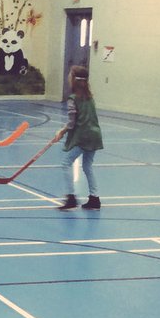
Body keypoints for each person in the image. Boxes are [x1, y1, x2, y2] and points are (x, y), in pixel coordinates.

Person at [57, 65, 103, 211]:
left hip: (83, 136)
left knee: (65, 163)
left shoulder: (73, 99)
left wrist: (62, 131)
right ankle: (94, 199)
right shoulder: (90, 98)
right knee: (87, 166)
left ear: (73, 79)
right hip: (95, 135)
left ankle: (71, 198)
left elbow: (72, 122)